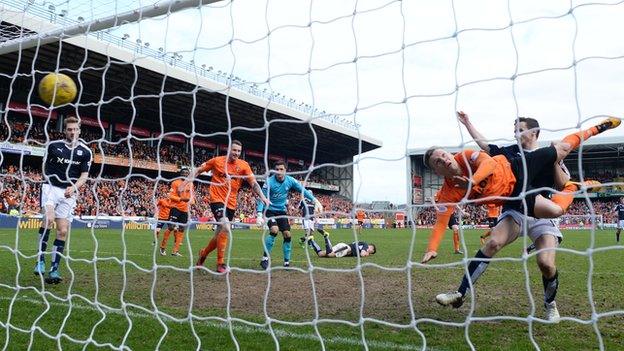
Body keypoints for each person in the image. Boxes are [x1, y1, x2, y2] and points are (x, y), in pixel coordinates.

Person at [429, 115, 621, 322]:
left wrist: (557, 161)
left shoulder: (548, 154)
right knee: (493, 242)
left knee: (546, 264)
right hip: (515, 209)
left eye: (520, 129)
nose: (515, 133)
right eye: (515, 130)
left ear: (534, 132)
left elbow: (562, 184)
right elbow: (483, 145)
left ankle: (550, 304)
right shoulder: (509, 152)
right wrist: (468, 124)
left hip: (542, 212)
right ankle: (460, 293)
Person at [193, 140, 269, 274]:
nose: (236, 153)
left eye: (239, 151)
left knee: (219, 234)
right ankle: (220, 264)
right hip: (216, 199)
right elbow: (198, 170)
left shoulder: (244, 166)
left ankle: (203, 254)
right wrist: (186, 183)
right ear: (229, 149)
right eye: (234, 150)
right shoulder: (217, 161)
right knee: (226, 227)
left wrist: (263, 197)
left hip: (231, 203)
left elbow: (254, 183)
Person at [35, 116, 92, 284]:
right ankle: (40, 261)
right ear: (65, 130)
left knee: (63, 231)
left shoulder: (86, 151)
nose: (72, 132)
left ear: (79, 130)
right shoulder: (53, 146)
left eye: (75, 129)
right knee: (49, 219)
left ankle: (54, 268)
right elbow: (44, 168)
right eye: (69, 129)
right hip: (50, 189)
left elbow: (84, 176)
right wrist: (51, 180)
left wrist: (73, 188)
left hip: (69, 193)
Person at [256, 160, 323, 269]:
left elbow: (303, 190)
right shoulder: (269, 182)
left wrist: (315, 200)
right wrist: (259, 213)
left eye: (281, 169)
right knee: (274, 230)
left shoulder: (290, 180)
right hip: (270, 210)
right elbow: (262, 198)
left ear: (286, 171)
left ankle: (287, 262)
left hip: (281, 211)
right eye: (277, 169)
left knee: (287, 234)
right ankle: (265, 258)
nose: (279, 171)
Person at [159, 167, 193, 257]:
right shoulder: (175, 183)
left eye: (187, 173)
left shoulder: (190, 184)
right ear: (180, 174)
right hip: (175, 208)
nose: (185, 174)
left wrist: (192, 201)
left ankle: (175, 251)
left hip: (185, 210)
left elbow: (191, 197)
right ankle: (162, 248)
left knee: (181, 229)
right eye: (183, 173)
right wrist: (181, 199)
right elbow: (170, 196)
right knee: (171, 227)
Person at [307, 234, 376, 258]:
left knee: (320, 254)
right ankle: (326, 238)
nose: (370, 252)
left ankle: (311, 240)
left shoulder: (361, 244)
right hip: (345, 248)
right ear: (371, 247)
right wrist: (367, 253)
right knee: (330, 255)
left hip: (343, 246)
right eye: (371, 250)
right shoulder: (366, 245)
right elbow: (362, 254)